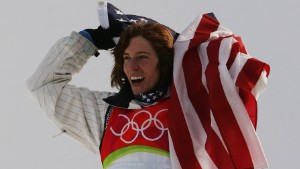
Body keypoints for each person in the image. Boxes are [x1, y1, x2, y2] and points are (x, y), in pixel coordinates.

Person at [26, 21, 175, 169]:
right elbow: (43, 87)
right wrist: (88, 40)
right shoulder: (105, 113)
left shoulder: (189, 105)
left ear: (163, 62)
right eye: (126, 58)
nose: (132, 66)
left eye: (142, 57)